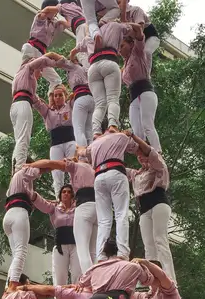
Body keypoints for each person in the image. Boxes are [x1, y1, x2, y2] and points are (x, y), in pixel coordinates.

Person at [125, 132, 174, 278]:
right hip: (144, 209)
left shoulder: (158, 164)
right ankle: (153, 277)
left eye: (141, 152)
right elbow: (117, 168)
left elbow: (149, 152)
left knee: (160, 239)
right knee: (149, 245)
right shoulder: (136, 174)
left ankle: (169, 277)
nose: (139, 155)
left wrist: (133, 136)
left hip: (158, 203)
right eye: (137, 154)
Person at [88, 130, 139, 260]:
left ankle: (101, 255)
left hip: (98, 177)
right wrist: (128, 134)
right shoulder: (120, 136)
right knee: (121, 214)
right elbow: (136, 147)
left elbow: (82, 153)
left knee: (104, 220)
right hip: (115, 172)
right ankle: (122, 252)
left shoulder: (94, 143)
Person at [10, 51, 64, 170]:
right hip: (23, 104)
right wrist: (54, 59)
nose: (40, 74)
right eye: (40, 70)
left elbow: (36, 101)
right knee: (24, 138)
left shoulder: (22, 78)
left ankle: (15, 168)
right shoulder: (27, 68)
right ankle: (19, 168)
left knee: (19, 139)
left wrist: (49, 109)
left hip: (16, 104)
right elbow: (40, 61)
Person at [3, 165, 46, 288]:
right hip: (19, 213)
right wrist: (46, 164)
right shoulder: (25, 171)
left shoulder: (15, 180)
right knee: (21, 251)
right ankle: (12, 285)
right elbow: (39, 170)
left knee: (16, 254)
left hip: (9, 215)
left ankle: (9, 285)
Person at [87, 20, 132, 135]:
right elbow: (131, 29)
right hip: (109, 62)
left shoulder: (91, 33)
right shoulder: (116, 25)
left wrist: (73, 55)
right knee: (112, 98)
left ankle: (96, 132)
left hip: (93, 68)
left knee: (100, 104)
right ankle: (112, 125)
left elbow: (77, 48)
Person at [120, 23, 160, 151]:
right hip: (134, 97)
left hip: (145, 91)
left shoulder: (138, 52)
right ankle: (144, 158)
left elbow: (138, 30)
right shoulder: (124, 67)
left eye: (122, 46)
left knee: (147, 124)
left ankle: (157, 152)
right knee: (137, 131)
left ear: (131, 44)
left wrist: (123, 23)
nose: (119, 50)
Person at [35, 86, 77, 199]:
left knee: (73, 168)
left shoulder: (69, 105)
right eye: (55, 95)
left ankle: (76, 196)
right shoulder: (48, 111)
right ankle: (59, 199)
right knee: (56, 172)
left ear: (65, 96)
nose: (58, 97)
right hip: (56, 144)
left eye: (60, 95)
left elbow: (78, 95)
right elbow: (37, 103)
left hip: (70, 141)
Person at [54, 50, 94, 150]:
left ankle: (83, 154)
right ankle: (92, 151)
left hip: (81, 99)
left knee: (78, 129)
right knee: (89, 130)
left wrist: (49, 56)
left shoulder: (74, 66)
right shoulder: (85, 69)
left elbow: (61, 60)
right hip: (91, 99)